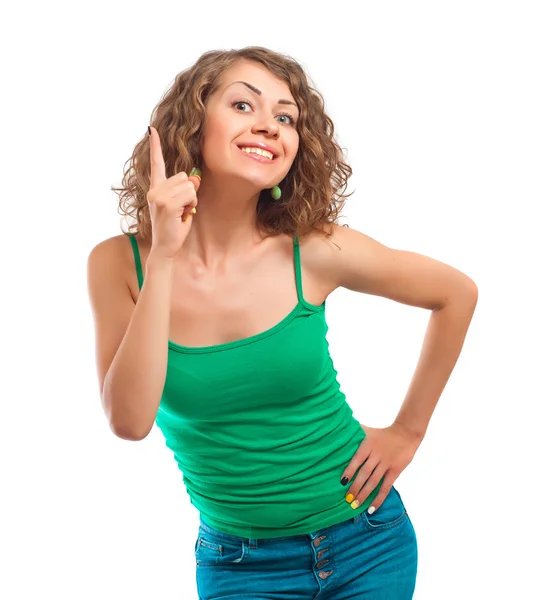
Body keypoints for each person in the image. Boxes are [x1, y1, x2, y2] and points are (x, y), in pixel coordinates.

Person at [87, 46, 478, 599]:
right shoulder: (118, 264)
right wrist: (165, 257)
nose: (268, 125)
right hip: (238, 563)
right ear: (193, 123)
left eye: (286, 116)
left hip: (367, 538)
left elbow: (455, 294)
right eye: (243, 105)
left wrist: (407, 432)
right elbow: (129, 421)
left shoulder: (314, 249)